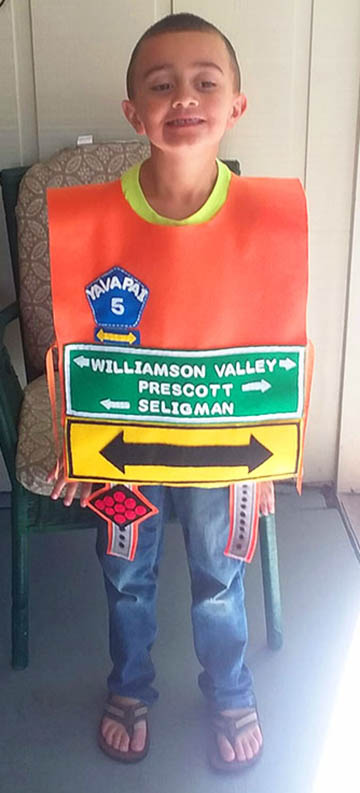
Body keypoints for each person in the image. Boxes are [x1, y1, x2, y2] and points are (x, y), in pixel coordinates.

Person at [48, 12, 275, 772]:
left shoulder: (265, 228)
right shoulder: (92, 225)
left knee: (220, 574)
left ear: (236, 104)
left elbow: (278, 349)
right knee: (126, 572)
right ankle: (131, 685)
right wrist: (72, 441)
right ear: (133, 112)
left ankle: (231, 686)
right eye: (161, 83)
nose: (184, 95)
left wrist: (273, 455)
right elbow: (73, 346)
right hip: (123, 448)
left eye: (205, 81)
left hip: (224, 447)